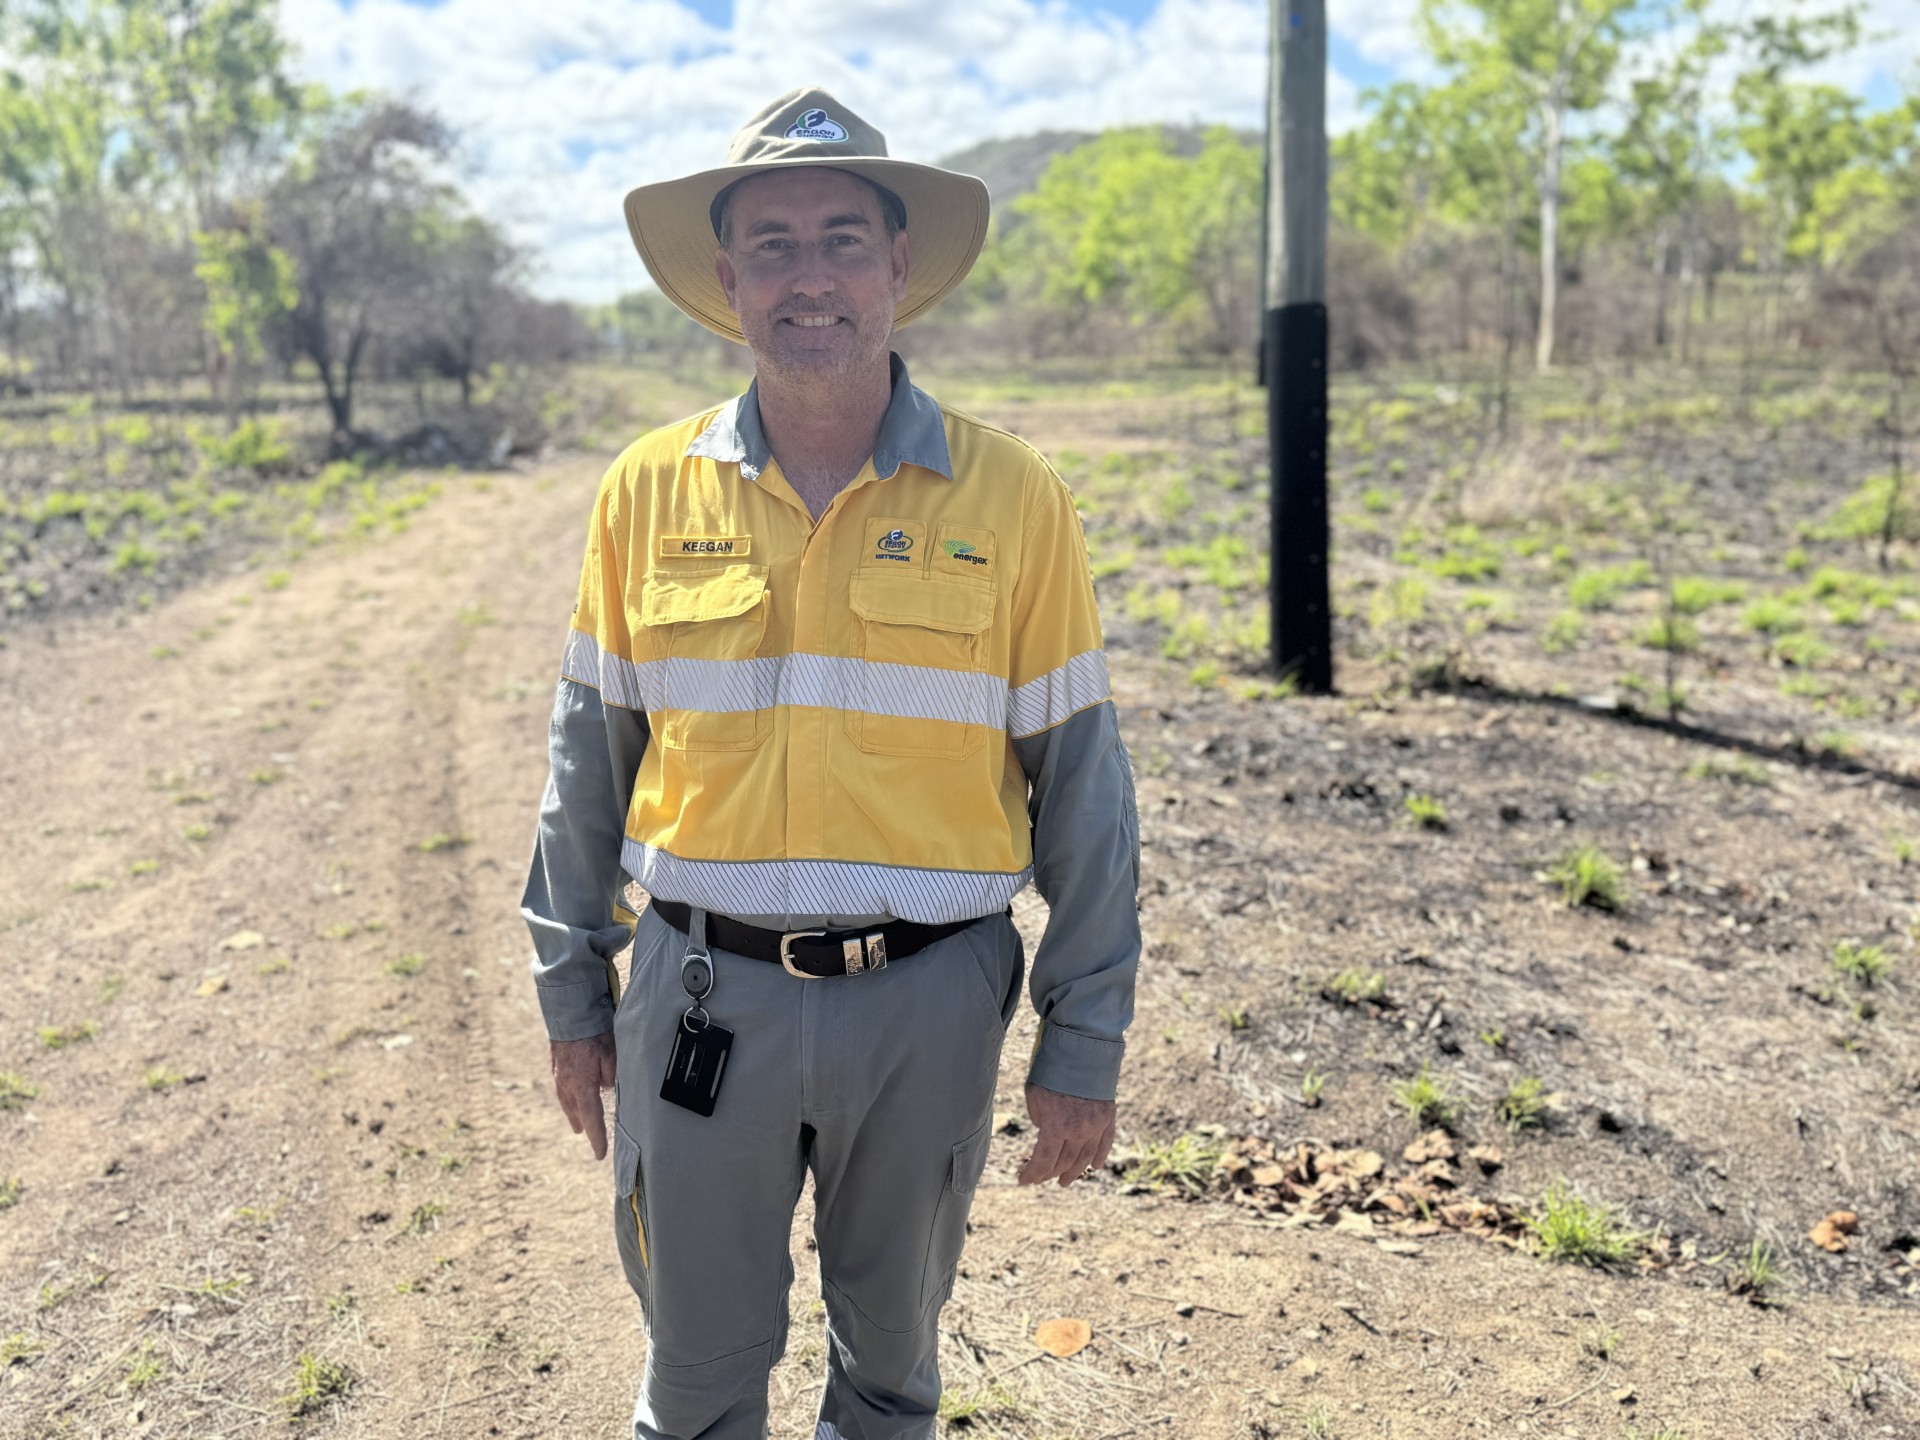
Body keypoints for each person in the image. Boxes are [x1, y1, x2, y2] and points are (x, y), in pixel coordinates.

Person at [520, 86, 1140, 1440]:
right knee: (695, 1381)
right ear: (729, 277)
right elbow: (589, 762)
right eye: (776, 244)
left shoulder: (1014, 497)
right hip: (699, 997)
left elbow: (1084, 788)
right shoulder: (645, 491)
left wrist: (1083, 1037)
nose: (812, 277)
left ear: (899, 265)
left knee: (890, 1377)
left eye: (844, 239)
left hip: (929, 1006)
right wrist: (571, 991)